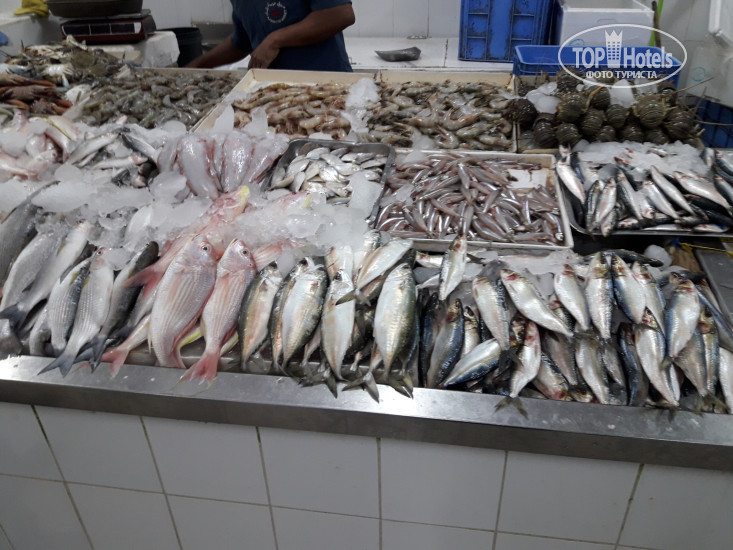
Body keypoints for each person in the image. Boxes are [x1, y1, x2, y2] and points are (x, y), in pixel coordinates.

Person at [186, 1, 355, 71]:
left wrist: (275, 40)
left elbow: (340, 14)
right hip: (275, 92)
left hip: (327, 84)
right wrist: (198, 64)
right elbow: (242, 41)